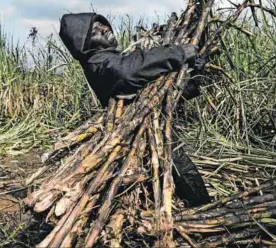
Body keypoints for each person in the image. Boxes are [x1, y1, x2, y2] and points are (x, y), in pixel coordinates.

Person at [59, 12, 211, 207]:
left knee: (178, 171)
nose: (107, 31)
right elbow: (126, 72)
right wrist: (177, 53)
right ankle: (200, 211)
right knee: (177, 168)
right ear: (84, 41)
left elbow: (161, 90)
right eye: (97, 30)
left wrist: (193, 71)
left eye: (105, 26)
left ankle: (196, 208)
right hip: (138, 134)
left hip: (154, 126)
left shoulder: (113, 59)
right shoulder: (98, 64)